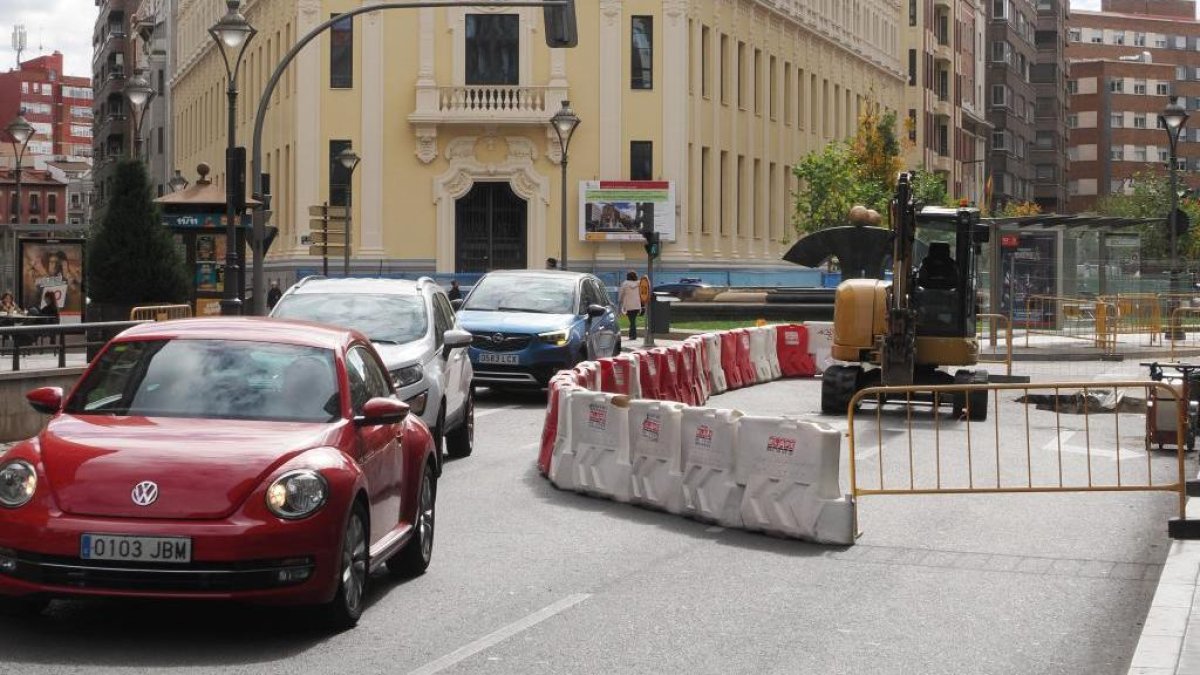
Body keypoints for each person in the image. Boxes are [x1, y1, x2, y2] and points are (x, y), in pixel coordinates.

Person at [617, 270, 643, 341]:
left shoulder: (625, 284)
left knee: (632, 321)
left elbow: (621, 294)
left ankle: (632, 335)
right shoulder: (639, 283)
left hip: (628, 305)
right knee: (633, 320)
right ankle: (632, 335)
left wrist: (619, 301)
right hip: (637, 304)